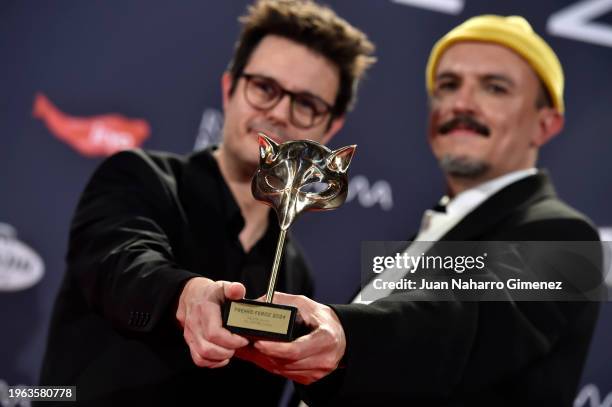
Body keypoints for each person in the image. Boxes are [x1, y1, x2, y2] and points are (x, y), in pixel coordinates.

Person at [236, 15, 602, 406]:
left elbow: (462, 324)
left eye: (495, 88)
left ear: (545, 125)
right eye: (448, 85)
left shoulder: (566, 237)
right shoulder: (424, 238)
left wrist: (345, 331)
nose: (462, 103)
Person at [38, 1, 375, 405]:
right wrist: (186, 296)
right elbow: (122, 262)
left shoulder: (294, 273)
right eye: (265, 88)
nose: (280, 113)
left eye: (306, 104)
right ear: (230, 87)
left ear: (331, 126)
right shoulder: (138, 177)